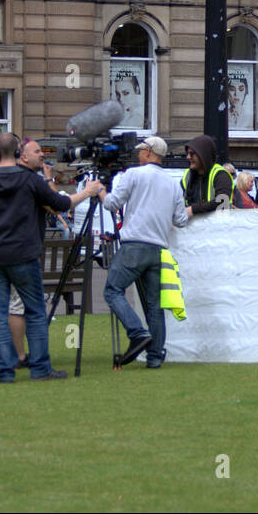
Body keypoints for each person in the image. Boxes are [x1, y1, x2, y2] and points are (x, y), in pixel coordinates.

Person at [0, 133, 102, 384]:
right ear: (19, 152)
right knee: (35, 311)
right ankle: (40, 367)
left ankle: (5, 370)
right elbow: (60, 203)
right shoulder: (30, 180)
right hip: (24, 254)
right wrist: (88, 192)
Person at [99, 136, 189, 369]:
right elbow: (179, 220)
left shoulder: (133, 174)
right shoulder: (172, 183)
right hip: (158, 248)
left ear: (149, 152)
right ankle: (155, 356)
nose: (138, 154)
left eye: (141, 150)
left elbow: (111, 204)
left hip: (134, 245)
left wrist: (99, 190)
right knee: (154, 305)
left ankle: (137, 332)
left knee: (112, 290)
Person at [182, 135, 233, 217]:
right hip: (193, 228)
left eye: (191, 154)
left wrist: (193, 209)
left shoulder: (220, 175)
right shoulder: (187, 175)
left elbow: (222, 201)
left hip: (218, 227)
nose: (188, 157)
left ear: (203, 154)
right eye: (187, 153)